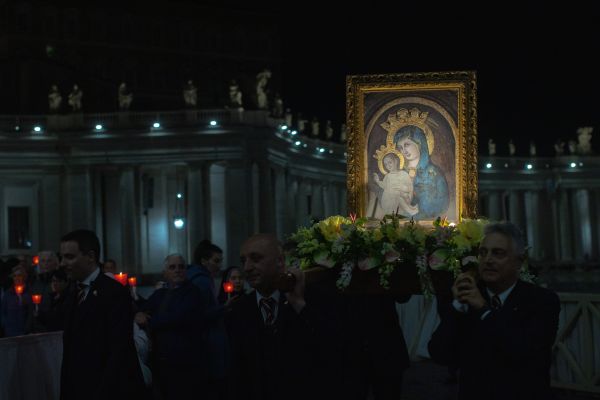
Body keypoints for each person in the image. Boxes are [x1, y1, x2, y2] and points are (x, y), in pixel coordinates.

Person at [428, 222, 560, 400]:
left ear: (519, 262)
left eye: (498, 253)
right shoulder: (469, 296)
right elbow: (439, 353)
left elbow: (523, 352)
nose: (488, 260)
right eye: (483, 253)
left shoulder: (542, 301)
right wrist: (458, 306)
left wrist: (484, 309)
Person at [226, 233, 337, 400]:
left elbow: (332, 349)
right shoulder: (239, 310)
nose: (247, 267)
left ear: (280, 261)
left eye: (256, 259)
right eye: (244, 261)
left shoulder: (310, 299)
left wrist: (299, 304)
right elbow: (237, 373)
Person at [59, 229, 145, 400]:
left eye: (69, 257)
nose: (62, 263)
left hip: (108, 390)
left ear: (90, 256)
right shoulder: (72, 292)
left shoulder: (114, 292)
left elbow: (118, 351)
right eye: (62, 257)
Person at [137, 254, 208, 399]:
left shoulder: (192, 292)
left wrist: (149, 321)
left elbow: (176, 318)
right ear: (165, 273)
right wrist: (138, 313)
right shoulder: (161, 293)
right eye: (172, 267)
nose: (177, 270)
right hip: (162, 360)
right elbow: (145, 306)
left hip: (185, 362)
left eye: (181, 267)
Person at [394, 125, 449, 219]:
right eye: (400, 147)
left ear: (419, 143)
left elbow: (441, 205)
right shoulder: (400, 173)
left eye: (407, 145)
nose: (404, 151)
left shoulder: (434, 173)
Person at [373, 153, 419, 217]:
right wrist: (378, 181)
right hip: (389, 201)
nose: (388, 165)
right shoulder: (388, 176)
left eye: (390, 162)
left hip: (402, 197)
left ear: (396, 161)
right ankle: (410, 210)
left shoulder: (404, 174)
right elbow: (384, 186)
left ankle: (410, 208)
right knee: (397, 194)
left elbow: (409, 187)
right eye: (386, 164)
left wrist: (403, 188)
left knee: (400, 195)